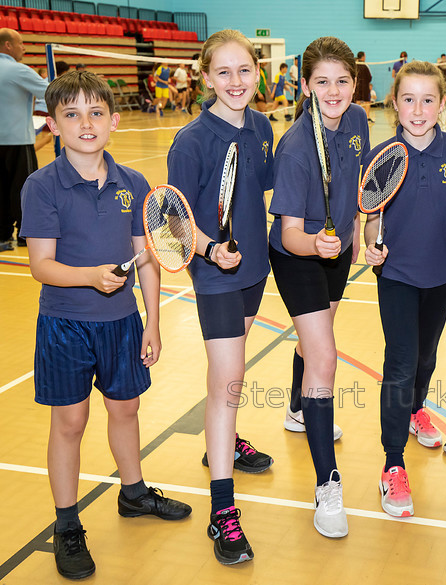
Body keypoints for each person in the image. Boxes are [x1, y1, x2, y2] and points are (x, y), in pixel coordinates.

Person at [20, 71, 192, 580]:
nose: (85, 123)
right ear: (53, 124)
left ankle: (134, 494)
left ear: (114, 121)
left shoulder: (134, 184)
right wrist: (91, 279)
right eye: (71, 114)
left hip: (122, 324)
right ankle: (68, 524)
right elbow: (41, 266)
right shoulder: (41, 185)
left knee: (127, 409)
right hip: (65, 325)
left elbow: (148, 259)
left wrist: (153, 324)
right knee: (69, 424)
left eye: (96, 112)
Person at [167, 29, 275, 566]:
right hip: (215, 275)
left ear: (258, 74)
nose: (236, 81)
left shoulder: (262, 126)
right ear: (206, 78)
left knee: (229, 375)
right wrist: (210, 250)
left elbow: (265, 193)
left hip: (255, 269)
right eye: (224, 72)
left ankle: (223, 442)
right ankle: (222, 510)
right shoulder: (190, 142)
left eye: (245, 71)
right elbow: (175, 223)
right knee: (229, 381)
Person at [268, 36, 369, 539]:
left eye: (342, 81)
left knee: (317, 341)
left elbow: (364, 188)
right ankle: (327, 486)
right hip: (298, 255)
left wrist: (366, 235)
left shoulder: (356, 121)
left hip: (339, 247)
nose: (333, 91)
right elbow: (288, 233)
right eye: (322, 82)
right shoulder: (294, 148)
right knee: (325, 357)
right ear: (306, 86)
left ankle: (295, 408)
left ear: (354, 83)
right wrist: (315, 245)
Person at [363, 61, 446, 518]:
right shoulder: (384, 155)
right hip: (398, 277)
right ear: (395, 104)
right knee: (401, 361)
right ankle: (392, 463)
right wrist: (371, 247)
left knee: (427, 357)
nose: (419, 108)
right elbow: (371, 220)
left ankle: (415, 411)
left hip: (440, 277)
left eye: (429, 99)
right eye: (409, 99)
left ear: (443, 104)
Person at [0, 28, 48, 245]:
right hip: (18, 141)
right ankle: (26, 235)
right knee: (24, 190)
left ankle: (1, 233)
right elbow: (52, 92)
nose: (24, 47)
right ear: (8, 45)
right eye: (21, 43)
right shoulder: (19, 70)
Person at [353, 51, 373, 122]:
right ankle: (367, 117)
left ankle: (355, 117)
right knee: (367, 102)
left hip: (357, 87)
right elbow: (369, 77)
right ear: (363, 57)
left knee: (357, 101)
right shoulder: (365, 66)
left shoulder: (355, 66)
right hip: (364, 87)